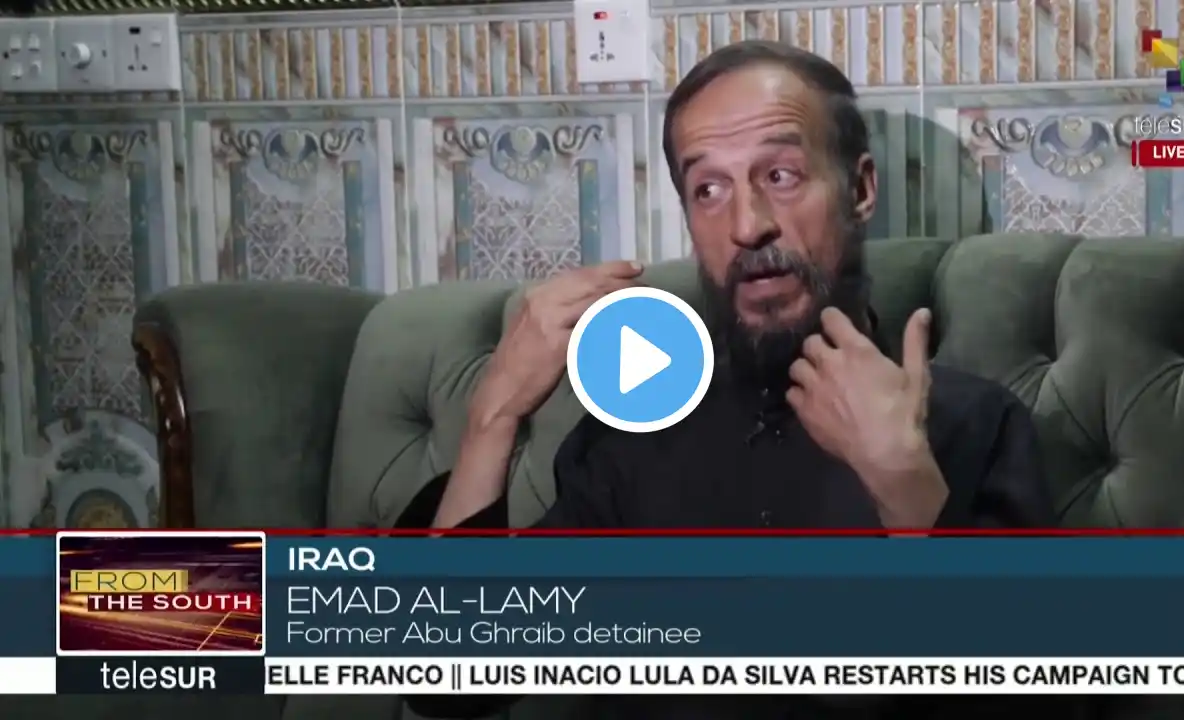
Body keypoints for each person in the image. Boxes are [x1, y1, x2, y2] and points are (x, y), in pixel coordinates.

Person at [399, 41, 1060, 719]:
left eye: (781, 175)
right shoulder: (636, 437)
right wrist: (494, 416)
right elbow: (452, 682)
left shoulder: (976, 425)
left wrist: (909, 494)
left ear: (860, 190)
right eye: (708, 190)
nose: (747, 225)